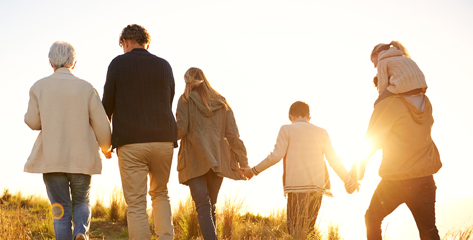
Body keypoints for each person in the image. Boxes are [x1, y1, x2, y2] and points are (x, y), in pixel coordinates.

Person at [350, 41, 442, 240]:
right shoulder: (426, 102)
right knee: (429, 231)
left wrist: (355, 174)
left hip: (397, 180)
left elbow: (370, 142)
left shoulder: (387, 105)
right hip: (425, 178)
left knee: (372, 218)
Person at [24, 41, 112, 240]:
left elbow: (32, 121)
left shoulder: (38, 87)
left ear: (50, 63)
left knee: (61, 210)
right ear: (74, 62)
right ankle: (80, 232)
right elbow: (102, 124)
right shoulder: (87, 87)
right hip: (82, 159)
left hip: (52, 159)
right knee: (81, 201)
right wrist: (106, 147)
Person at [102, 24, 178, 240]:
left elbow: (106, 106)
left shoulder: (118, 64)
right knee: (161, 194)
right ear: (147, 43)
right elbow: (168, 100)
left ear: (125, 42)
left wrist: (104, 144)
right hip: (164, 140)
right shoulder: (164, 65)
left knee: (136, 202)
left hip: (131, 141)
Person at [241, 101, 359, 236]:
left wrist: (253, 171)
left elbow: (276, 156)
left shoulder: (286, 129)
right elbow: (334, 161)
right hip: (317, 189)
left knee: (294, 232)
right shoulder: (322, 132)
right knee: (308, 230)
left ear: (291, 117)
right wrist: (349, 182)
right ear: (309, 118)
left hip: (296, 189)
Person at [176, 67, 249, 240]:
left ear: (187, 81)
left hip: (195, 158)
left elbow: (180, 129)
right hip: (218, 159)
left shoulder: (185, 99)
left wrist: (161, 138)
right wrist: (243, 162)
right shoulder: (222, 101)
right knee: (211, 206)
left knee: (202, 205)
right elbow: (233, 135)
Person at [370, 40, 428, 106]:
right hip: (421, 87)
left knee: (377, 104)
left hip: (403, 87)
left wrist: (380, 98)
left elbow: (382, 84)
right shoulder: (404, 58)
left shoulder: (382, 61)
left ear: (377, 54)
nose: (374, 66)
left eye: (373, 61)